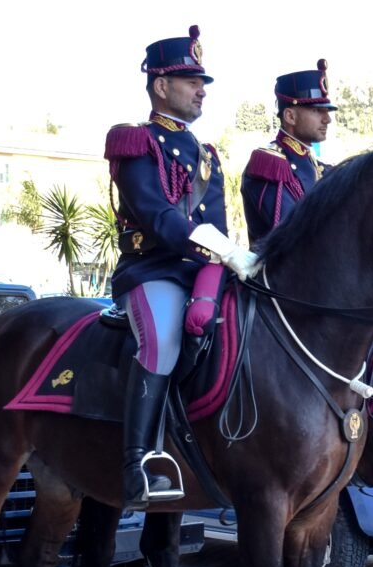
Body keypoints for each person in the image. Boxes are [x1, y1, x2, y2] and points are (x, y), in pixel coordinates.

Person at [104, 25, 258, 512]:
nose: (201, 90)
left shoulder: (206, 157)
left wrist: (229, 260)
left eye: (203, 82)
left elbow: (215, 223)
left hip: (199, 273)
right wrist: (217, 248)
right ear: (160, 85)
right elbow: (157, 214)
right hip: (151, 271)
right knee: (164, 339)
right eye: (191, 81)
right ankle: (137, 463)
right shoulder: (134, 144)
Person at [240, 60, 338, 244]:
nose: (327, 119)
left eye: (327, 111)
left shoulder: (321, 169)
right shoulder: (270, 165)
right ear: (290, 116)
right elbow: (292, 234)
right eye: (317, 111)